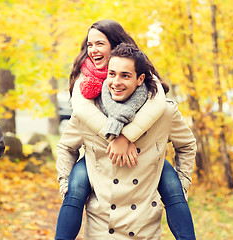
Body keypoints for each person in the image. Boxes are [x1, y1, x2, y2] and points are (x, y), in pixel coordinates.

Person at [55, 20, 196, 239]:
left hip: (145, 177)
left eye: (100, 43)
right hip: (99, 167)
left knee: (173, 187)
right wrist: (114, 137)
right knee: (75, 187)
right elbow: (69, 138)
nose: (93, 50)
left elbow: (169, 120)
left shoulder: (153, 95)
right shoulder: (89, 88)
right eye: (89, 45)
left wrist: (128, 135)